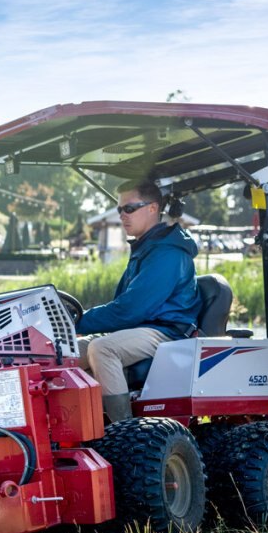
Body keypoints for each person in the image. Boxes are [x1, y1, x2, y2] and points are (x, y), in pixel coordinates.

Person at [76, 180, 200, 422]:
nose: (122, 215)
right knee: (62, 351)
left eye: (129, 208)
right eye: (119, 209)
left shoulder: (167, 253)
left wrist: (77, 322)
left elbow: (130, 310)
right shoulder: (146, 247)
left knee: (103, 349)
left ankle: (123, 432)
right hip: (142, 328)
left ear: (153, 208)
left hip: (166, 331)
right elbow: (124, 306)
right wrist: (69, 329)